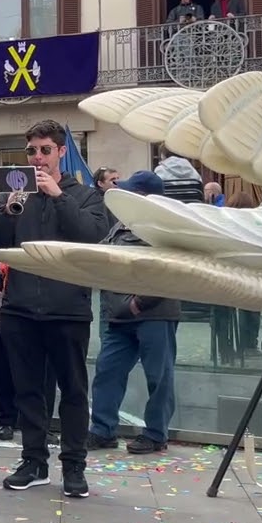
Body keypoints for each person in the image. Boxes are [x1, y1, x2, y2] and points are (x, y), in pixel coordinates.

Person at [0, 119, 108, 498]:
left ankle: (74, 466)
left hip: (67, 309)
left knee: (72, 390)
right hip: (20, 308)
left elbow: (91, 234)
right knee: (29, 392)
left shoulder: (84, 195)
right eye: (32, 151)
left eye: (45, 150)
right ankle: (34, 461)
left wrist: (57, 196)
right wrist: (7, 210)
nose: (38, 158)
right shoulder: (18, 195)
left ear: (61, 152)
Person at [87, 170, 181, 456]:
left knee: (159, 376)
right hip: (119, 315)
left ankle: (155, 434)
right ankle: (102, 430)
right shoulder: (121, 225)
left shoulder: (165, 227)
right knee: (108, 370)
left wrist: (140, 303)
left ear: (143, 196)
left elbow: (172, 269)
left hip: (154, 313)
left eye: (129, 191)